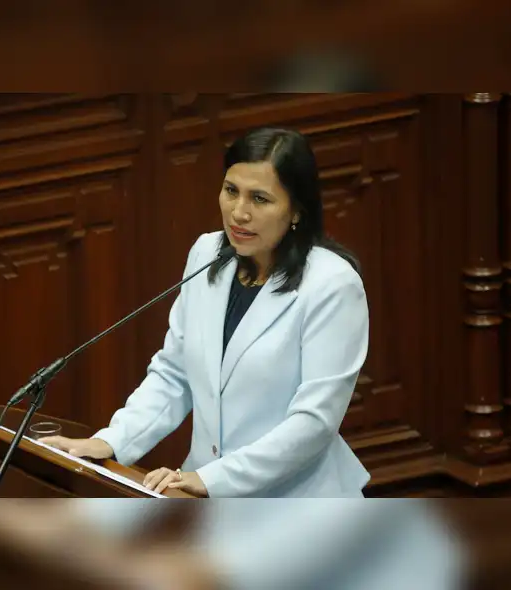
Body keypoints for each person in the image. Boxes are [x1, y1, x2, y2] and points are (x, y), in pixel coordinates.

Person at [40, 127, 370, 497]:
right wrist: (112, 442)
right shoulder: (207, 253)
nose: (238, 213)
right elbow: (174, 373)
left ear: (296, 209)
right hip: (205, 498)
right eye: (231, 191)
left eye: (259, 199)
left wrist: (212, 479)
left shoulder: (332, 285)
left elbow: (314, 424)